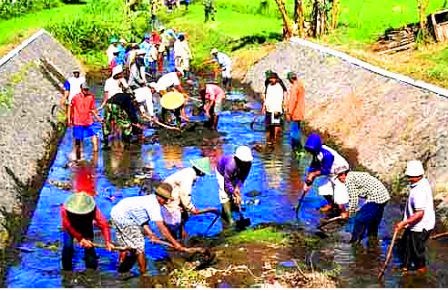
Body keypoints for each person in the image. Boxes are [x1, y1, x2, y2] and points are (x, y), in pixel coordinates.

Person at [110, 183, 188, 276]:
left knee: (125, 246)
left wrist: (151, 234)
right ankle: (144, 274)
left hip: (115, 213)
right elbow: (162, 227)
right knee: (140, 247)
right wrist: (176, 244)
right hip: (124, 218)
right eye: (166, 199)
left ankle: (121, 268)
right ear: (160, 197)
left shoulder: (150, 199)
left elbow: (141, 220)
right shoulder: (154, 205)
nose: (166, 202)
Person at [395, 160, 435, 274]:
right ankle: (406, 266)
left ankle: (421, 271)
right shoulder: (421, 182)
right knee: (406, 245)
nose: (408, 178)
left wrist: (403, 223)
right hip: (414, 223)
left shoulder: (419, 191)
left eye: (410, 176)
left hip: (421, 225)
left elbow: (419, 213)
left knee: (417, 250)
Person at [162, 157, 215, 239]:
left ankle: (182, 233)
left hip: (170, 192)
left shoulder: (189, 171)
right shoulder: (188, 176)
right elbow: (184, 193)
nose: (204, 175)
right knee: (174, 221)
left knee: (184, 215)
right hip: (169, 196)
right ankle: (174, 242)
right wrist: (191, 208)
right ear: (200, 171)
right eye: (204, 172)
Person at [335, 168, 390, 244]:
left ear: (343, 175)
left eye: (339, 177)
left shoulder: (349, 180)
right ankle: (373, 240)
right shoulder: (354, 174)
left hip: (376, 198)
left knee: (359, 220)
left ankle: (354, 242)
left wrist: (349, 213)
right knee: (373, 221)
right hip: (384, 196)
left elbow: (353, 199)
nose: (339, 179)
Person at [60, 193, 112, 272]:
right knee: (68, 246)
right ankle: (66, 270)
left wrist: (108, 241)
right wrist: (80, 238)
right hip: (69, 228)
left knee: (89, 247)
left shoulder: (93, 209)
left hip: (86, 226)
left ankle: (91, 271)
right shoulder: (65, 209)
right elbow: (68, 225)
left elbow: (103, 224)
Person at [303, 133, 350, 215]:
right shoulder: (316, 153)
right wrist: (307, 183)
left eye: (311, 150)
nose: (310, 152)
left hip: (341, 172)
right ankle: (331, 204)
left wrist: (313, 175)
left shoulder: (327, 154)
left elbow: (325, 171)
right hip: (332, 172)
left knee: (339, 194)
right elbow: (313, 167)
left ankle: (344, 212)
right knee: (323, 190)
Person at [216, 146, 253, 226]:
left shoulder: (249, 164)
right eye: (243, 161)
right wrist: (233, 192)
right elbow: (227, 182)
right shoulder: (231, 165)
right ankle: (229, 219)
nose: (245, 163)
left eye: (246, 162)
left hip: (234, 173)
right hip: (221, 171)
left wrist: (237, 189)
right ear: (237, 159)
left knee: (235, 193)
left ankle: (233, 207)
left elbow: (243, 177)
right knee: (224, 194)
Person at [68, 83, 103, 160]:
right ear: (81, 89)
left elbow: (92, 109)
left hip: (88, 121)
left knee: (94, 135)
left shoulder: (91, 97)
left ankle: (95, 157)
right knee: (78, 140)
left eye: (87, 89)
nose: (86, 91)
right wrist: (69, 119)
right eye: (85, 89)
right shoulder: (75, 97)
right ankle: (78, 158)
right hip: (78, 121)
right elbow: (70, 108)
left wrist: (98, 118)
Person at [262, 72, 287, 145]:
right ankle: (268, 138)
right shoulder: (268, 85)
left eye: (272, 78)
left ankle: (275, 138)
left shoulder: (280, 86)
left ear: (276, 79)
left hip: (277, 108)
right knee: (268, 124)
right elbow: (266, 96)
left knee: (276, 124)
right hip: (269, 107)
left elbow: (284, 94)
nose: (271, 80)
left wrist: (284, 104)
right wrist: (264, 106)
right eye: (270, 79)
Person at [285, 71, 305, 152]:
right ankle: (299, 148)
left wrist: (289, 113)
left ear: (290, 79)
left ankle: (297, 149)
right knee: (297, 130)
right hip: (300, 111)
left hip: (295, 113)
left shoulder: (294, 87)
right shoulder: (300, 85)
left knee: (294, 131)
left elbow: (293, 101)